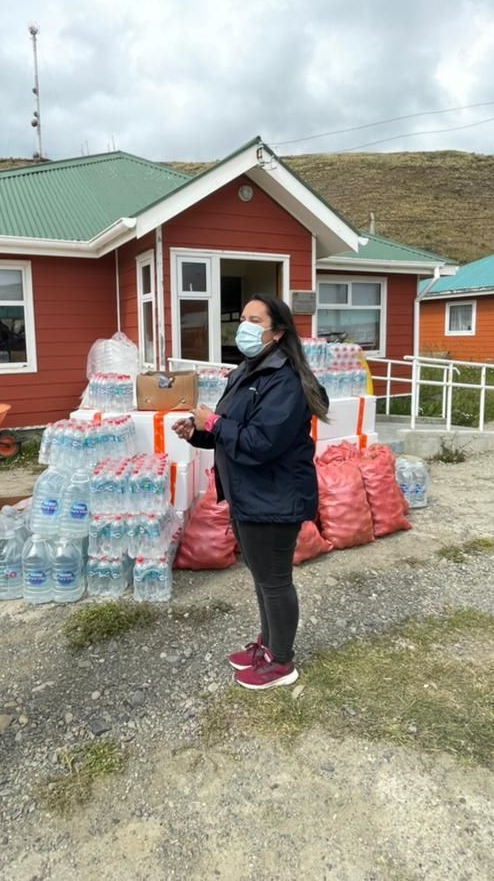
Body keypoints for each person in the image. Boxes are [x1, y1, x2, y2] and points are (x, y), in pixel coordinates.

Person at [173, 295, 329, 690]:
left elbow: (261, 443)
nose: (244, 325)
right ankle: (269, 645)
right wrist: (199, 433)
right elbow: (234, 432)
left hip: (275, 497)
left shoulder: (286, 381)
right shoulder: (246, 371)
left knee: (274, 581)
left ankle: (282, 662)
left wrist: (214, 422)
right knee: (262, 577)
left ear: (277, 332)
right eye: (242, 317)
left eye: (255, 320)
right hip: (248, 494)